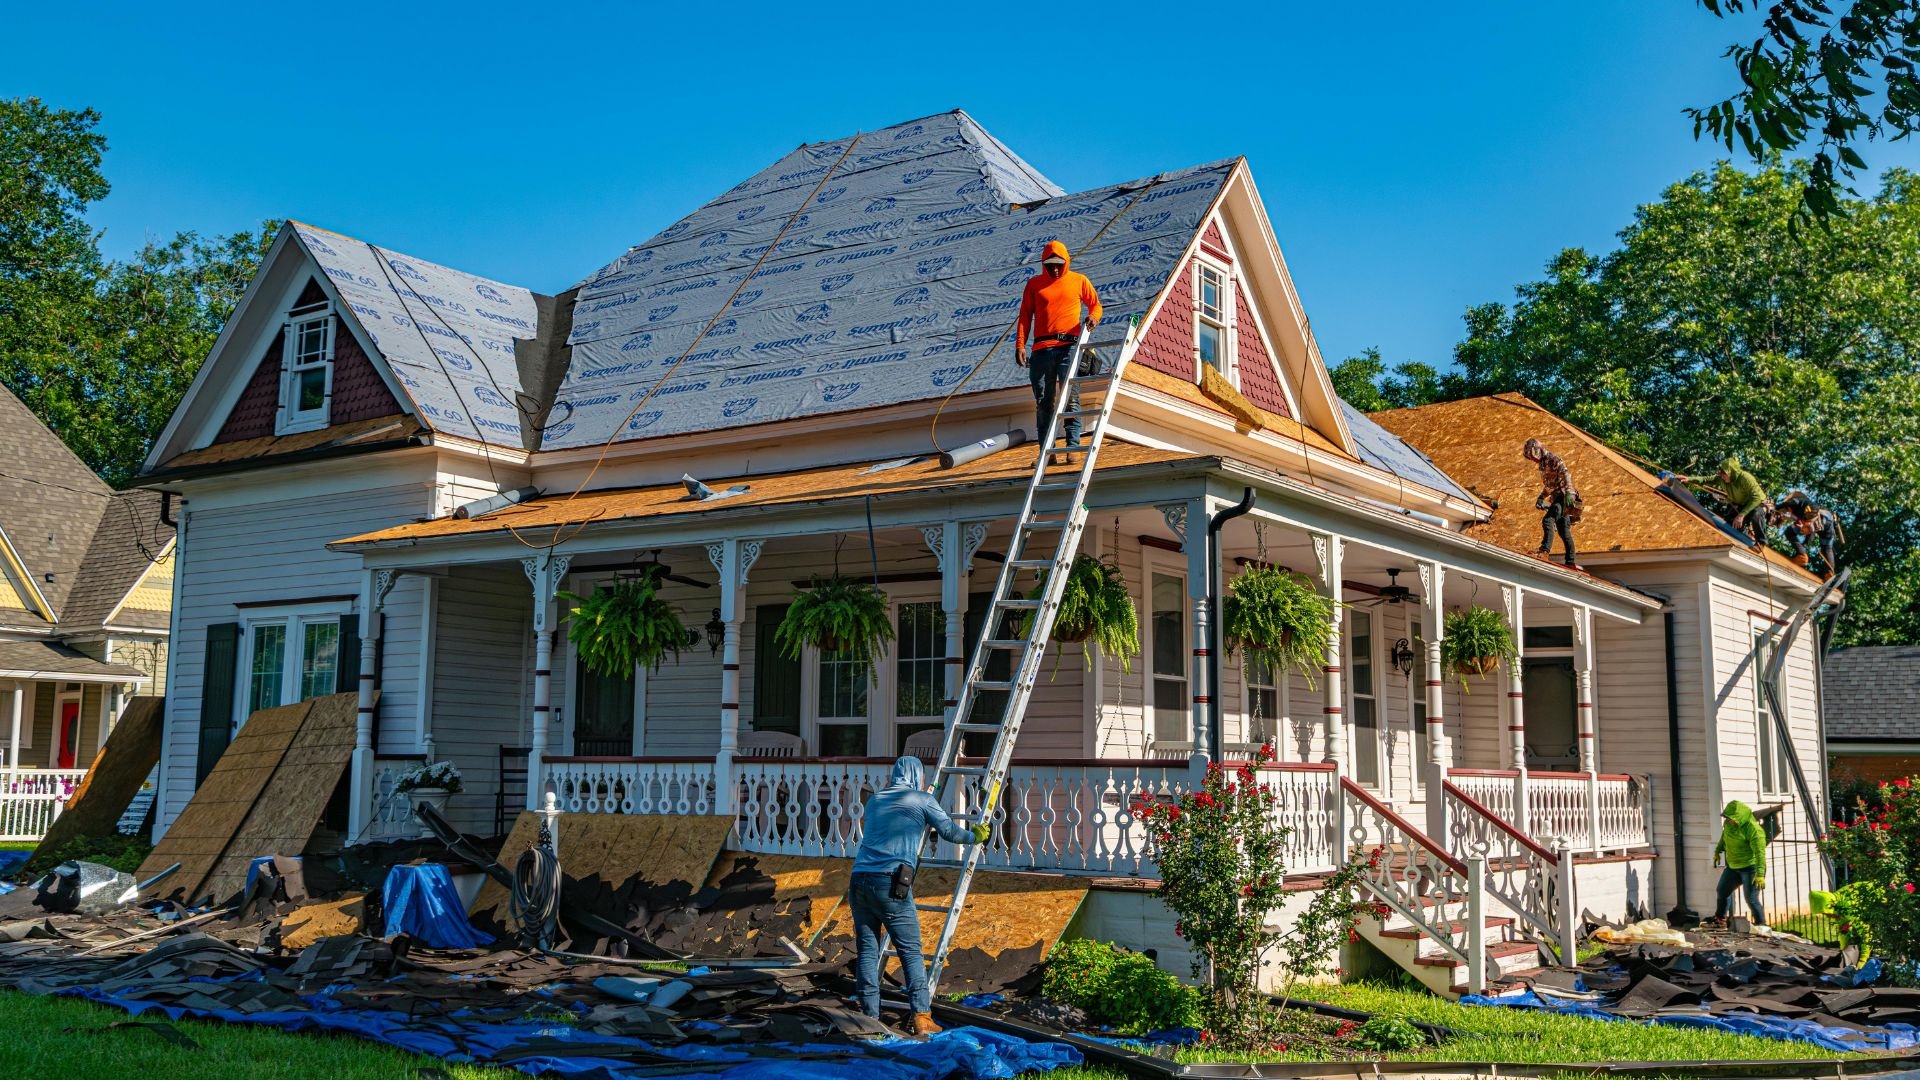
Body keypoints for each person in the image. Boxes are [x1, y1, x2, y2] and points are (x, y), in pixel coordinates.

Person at [848, 755, 990, 1035]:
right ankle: (922, 1018)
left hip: (859, 879)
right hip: (889, 883)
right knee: (911, 951)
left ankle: (869, 1017)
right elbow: (949, 831)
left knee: (867, 949)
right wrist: (975, 835)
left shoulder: (875, 800)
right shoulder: (922, 800)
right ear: (916, 776)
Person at [1014, 240, 1102, 447]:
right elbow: (1025, 317)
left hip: (1068, 347)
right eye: (1050, 264)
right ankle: (1047, 451)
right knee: (1044, 402)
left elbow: (1096, 305)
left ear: (1066, 262)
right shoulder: (1034, 284)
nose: (1054, 269)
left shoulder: (1078, 280)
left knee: (1070, 397)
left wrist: (1093, 318)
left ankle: (1072, 446)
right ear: (1043, 264)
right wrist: (1020, 344)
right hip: (1041, 350)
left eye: (1058, 264)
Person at [1523, 438, 1580, 567]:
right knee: (1563, 530)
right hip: (1556, 497)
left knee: (1548, 520)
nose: (1532, 459)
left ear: (1537, 450)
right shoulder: (1542, 466)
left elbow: (1565, 474)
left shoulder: (1554, 460)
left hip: (1564, 496)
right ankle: (1571, 562)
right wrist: (1541, 497)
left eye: (1531, 455)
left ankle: (1544, 551)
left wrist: (1570, 492)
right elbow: (1550, 485)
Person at [1711, 800, 1768, 927]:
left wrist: (1760, 874)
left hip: (1750, 868)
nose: (1731, 821)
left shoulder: (1753, 830)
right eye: (1729, 818)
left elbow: (1760, 853)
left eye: (1734, 818)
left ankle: (1761, 925)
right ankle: (1720, 919)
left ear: (1741, 817)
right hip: (1733, 867)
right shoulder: (1728, 825)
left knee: (1751, 899)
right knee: (1722, 891)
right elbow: (1724, 838)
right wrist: (1718, 851)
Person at [1773, 490, 1844, 578]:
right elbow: (1810, 535)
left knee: (1789, 531)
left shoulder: (1796, 501)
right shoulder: (1800, 511)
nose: (1788, 512)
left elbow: (1786, 504)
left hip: (1817, 518)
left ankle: (1802, 556)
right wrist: (1806, 544)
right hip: (1828, 522)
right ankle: (1829, 573)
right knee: (1827, 548)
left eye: (1787, 510)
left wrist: (1775, 507)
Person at [1716, 456, 1770, 547]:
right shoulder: (1724, 480)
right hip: (1743, 506)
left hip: (1757, 504)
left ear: (1730, 472)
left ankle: (1761, 542)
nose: (1721, 476)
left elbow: (1756, 498)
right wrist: (1689, 479)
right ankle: (1743, 537)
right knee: (1730, 525)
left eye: (1723, 473)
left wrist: (1741, 515)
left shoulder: (1745, 478)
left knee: (1756, 514)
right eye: (1720, 473)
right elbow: (1707, 479)